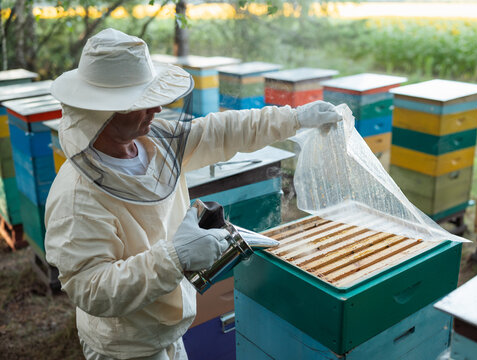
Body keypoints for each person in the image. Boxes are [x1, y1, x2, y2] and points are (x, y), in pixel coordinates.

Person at [44, 28, 342, 360]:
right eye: (143, 102)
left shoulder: (154, 140)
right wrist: (175, 258)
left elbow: (219, 131)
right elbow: (91, 289)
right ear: (105, 111)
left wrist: (294, 119)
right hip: (125, 346)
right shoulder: (76, 195)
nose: (156, 109)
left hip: (169, 328)